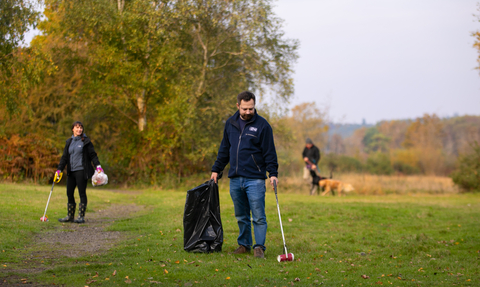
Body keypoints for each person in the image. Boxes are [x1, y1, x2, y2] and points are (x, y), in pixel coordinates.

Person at [211, 91, 278, 259]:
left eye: (251, 109)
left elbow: (270, 152)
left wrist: (273, 173)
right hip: (235, 178)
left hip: (255, 178)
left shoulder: (263, 126)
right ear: (238, 106)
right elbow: (224, 150)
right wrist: (216, 169)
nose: (248, 112)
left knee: (258, 216)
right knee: (241, 215)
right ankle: (244, 245)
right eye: (245, 109)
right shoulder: (230, 123)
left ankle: (259, 247)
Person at [55, 121, 103, 223]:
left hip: (81, 170)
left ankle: (81, 217)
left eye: (81, 128)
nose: (79, 129)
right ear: (73, 129)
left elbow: (93, 155)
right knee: (69, 193)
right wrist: (59, 169)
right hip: (71, 171)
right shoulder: (69, 142)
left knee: (82, 193)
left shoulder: (86, 141)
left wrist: (98, 166)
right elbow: (64, 158)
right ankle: (70, 216)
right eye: (77, 127)